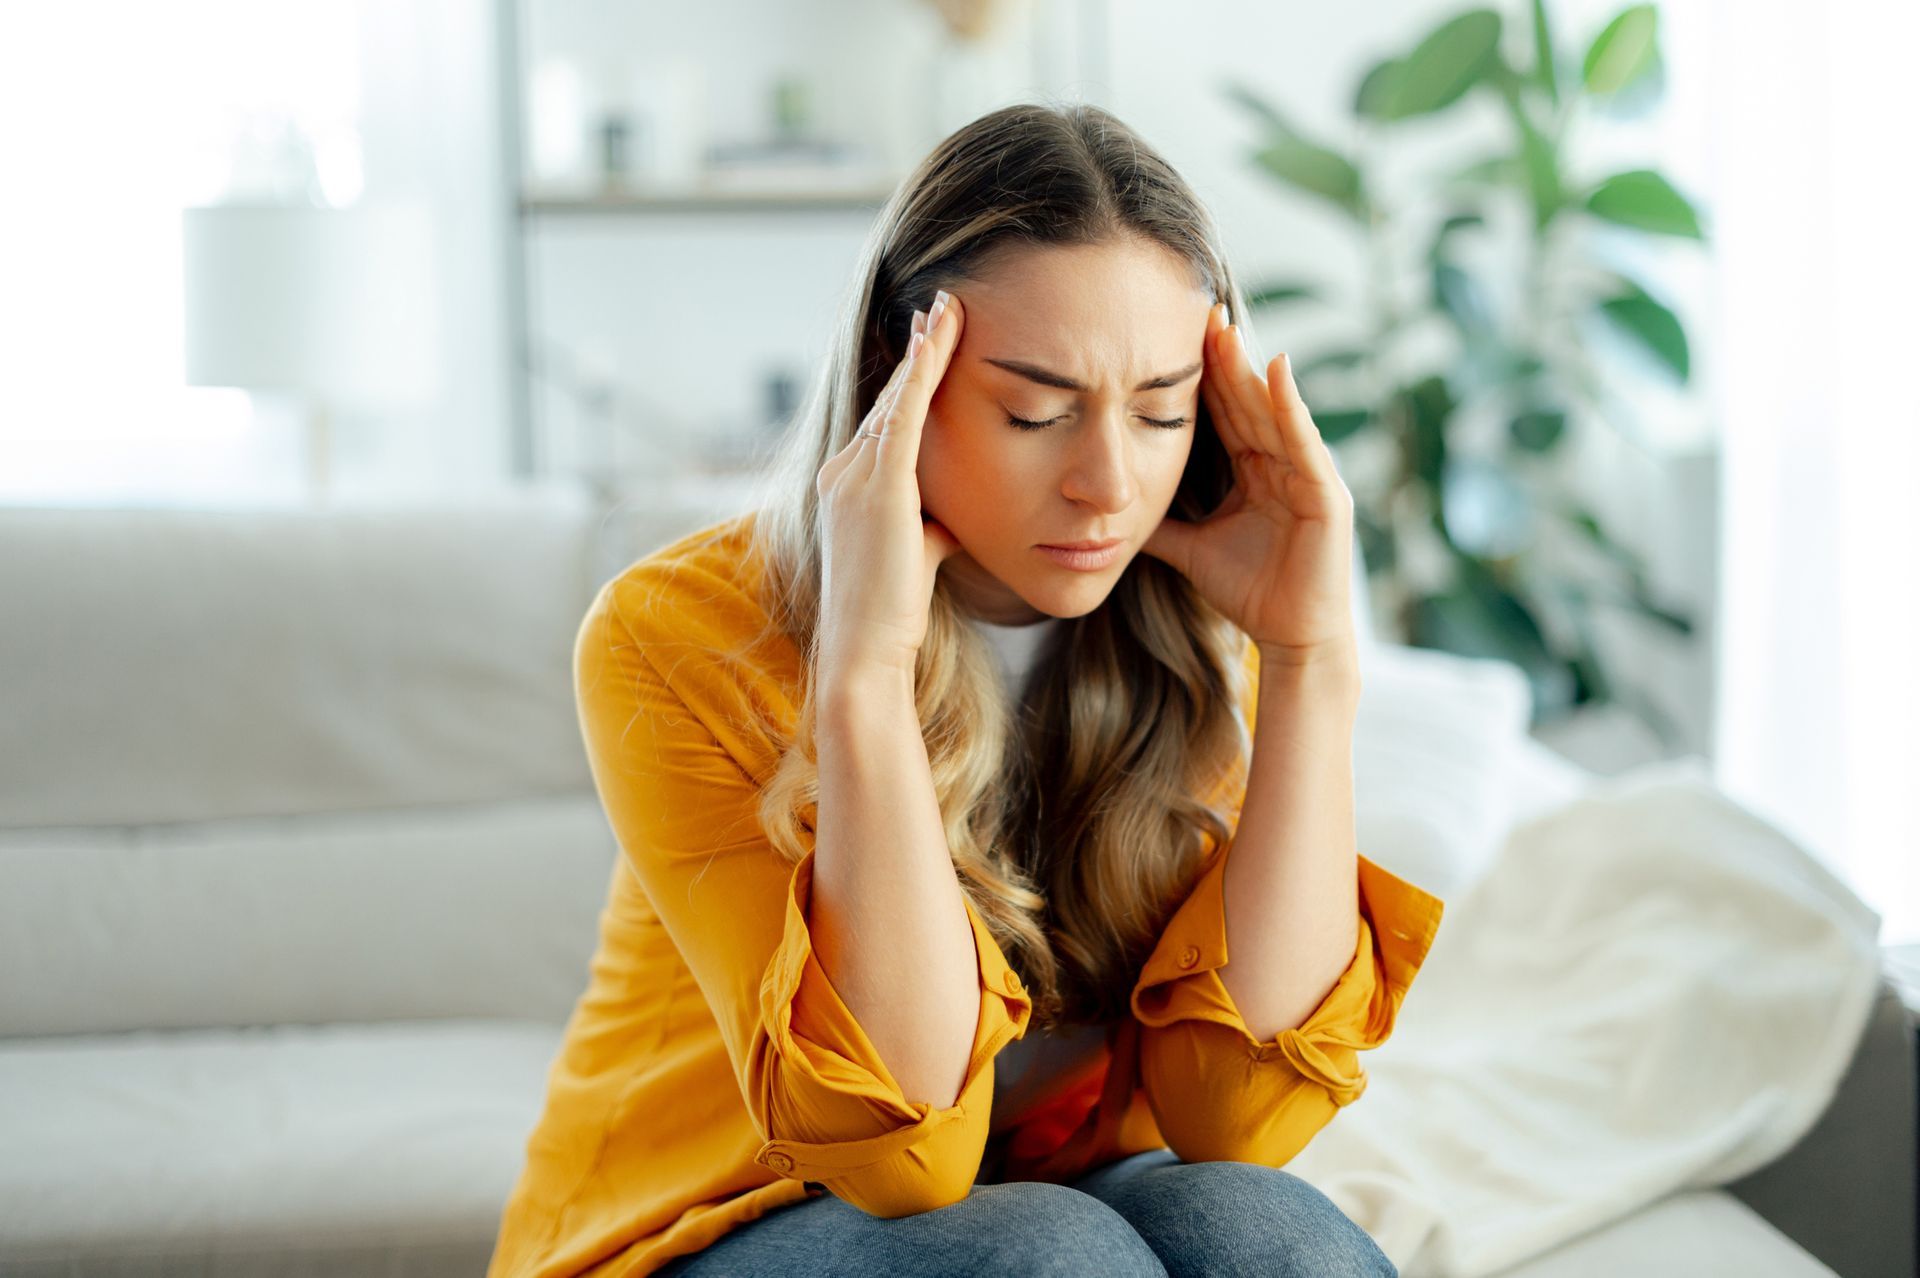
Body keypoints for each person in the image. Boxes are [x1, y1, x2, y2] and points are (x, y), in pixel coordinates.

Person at [485, 100, 1445, 1278]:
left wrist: (1310, 662)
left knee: (1276, 1238)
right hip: (714, 1219)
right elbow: (907, 1158)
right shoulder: (673, 632)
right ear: (901, 380)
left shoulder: (1198, 625)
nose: (1107, 484)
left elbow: (1237, 1123)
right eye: (1036, 411)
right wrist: (866, 674)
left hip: (1060, 1186)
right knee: (1054, 1257)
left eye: (1158, 412)